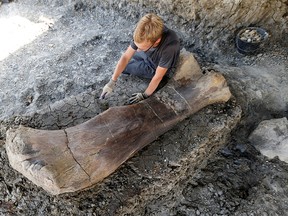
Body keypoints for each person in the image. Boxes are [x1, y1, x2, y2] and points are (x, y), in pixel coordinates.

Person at [100, 13, 180, 104]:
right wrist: (112, 81)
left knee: (126, 67)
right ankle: (141, 58)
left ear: (157, 41)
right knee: (124, 63)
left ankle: (159, 81)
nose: (137, 50)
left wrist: (145, 95)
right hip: (148, 53)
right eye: (137, 46)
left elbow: (158, 76)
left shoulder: (169, 48)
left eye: (141, 48)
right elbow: (126, 57)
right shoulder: (145, 32)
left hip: (154, 66)